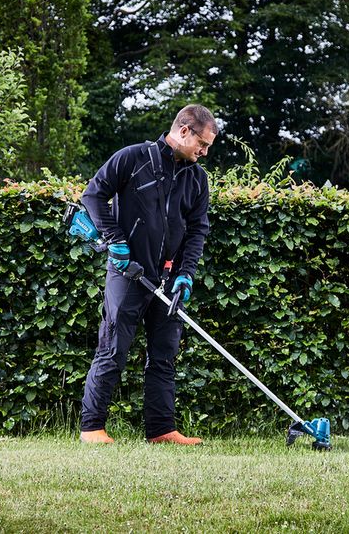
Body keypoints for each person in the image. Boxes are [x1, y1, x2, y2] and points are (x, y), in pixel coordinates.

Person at [78, 104, 217, 445]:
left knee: (164, 354)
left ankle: (161, 430)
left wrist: (186, 274)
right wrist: (116, 242)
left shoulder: (197, 178)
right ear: (184, 130)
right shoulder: (132, 157)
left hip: (168, 278)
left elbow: (197, 230)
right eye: (204, 143)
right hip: (128, 273)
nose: (205, 151)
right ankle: (91, 428)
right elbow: (93, 196)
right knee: (113, 349)